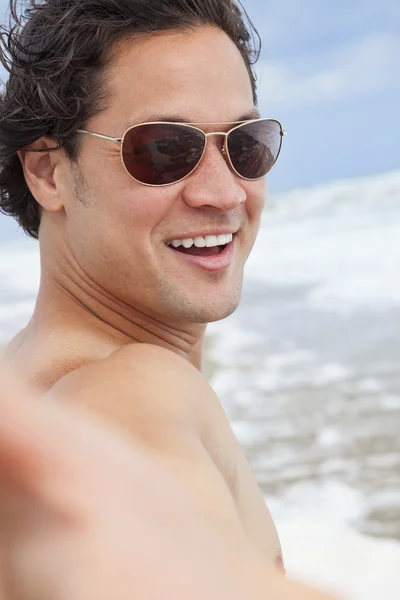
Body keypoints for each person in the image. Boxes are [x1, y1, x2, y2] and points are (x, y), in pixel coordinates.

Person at [0, 1, 338, 598]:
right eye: (162, 150)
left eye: (245, 144)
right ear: (48, 174)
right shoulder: (131, 387)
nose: (223, 191)